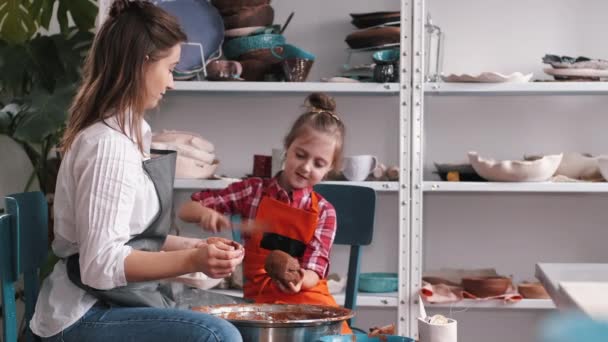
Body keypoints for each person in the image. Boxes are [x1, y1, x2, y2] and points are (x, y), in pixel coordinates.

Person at [29, 1, 244, 341]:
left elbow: (130, 235)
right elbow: (101, 265)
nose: (172, 83)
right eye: (171, 68)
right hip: (84, 312)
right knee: (217, 335)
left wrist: (196, 247)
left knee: (238, 317)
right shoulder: (108, 146)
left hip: (113, 301)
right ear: (142, 63)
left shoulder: (132, 135)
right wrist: (193, 260)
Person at [179, 92, 352, 334]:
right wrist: (205, 214)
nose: (305, 167)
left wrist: (299, 280)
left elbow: (315, 268)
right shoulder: (252, 192)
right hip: (259, 307)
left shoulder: (324, 212)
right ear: (287, 148)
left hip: (309, 303)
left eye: (318, 163)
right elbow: (186, 210)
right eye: (300, 155)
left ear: (329, 169)